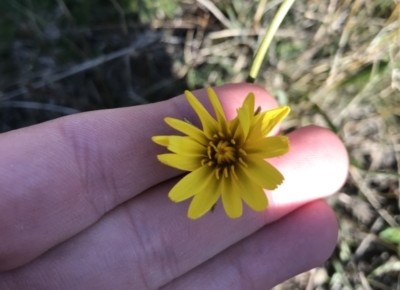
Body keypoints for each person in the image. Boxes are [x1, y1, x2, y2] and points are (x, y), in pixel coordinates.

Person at [0, 83, 348, 290]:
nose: (224, 150)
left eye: (225, 150)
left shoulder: (253, 164)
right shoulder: (218, 157)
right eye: (221, 149)